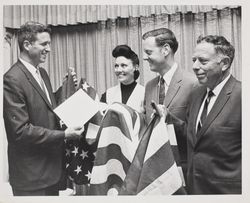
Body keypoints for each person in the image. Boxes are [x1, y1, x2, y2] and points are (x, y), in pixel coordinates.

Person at [3, 21, 85, 196]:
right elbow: (20, 132)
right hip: (31, 179)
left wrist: (65, 88)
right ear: (26, 45)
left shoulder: (42, 73)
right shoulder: (12, 79)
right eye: (44, 44)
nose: (48, 49)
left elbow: (45, 106)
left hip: (50, 174)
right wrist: (64, 135)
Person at [186, 35, 241, 194]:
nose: (195, 66)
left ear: (224, 64)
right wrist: (168, 118)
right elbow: (196, 137)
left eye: (202, 61)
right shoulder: (196, 92)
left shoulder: (243, 96)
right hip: (195, 190)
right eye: (194, 60)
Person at [142, 28, 197, 185]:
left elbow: (196, 135)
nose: (145, 57)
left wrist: (169, 118)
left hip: (183, 174)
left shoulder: (193, 84)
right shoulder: (149, 86)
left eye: (148, 52)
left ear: (165, 49)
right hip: (154, 173)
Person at [100, 45, 145, 113]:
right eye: (116, 66)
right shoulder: (108, 94)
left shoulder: (144, 93)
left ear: (136, 67)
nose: (118, 70)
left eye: (123, 65)